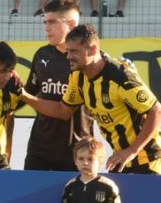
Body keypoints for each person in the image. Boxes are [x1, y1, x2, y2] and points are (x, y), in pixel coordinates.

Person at [20, 24, 161, 174]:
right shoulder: (78, 76)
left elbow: (156, 111)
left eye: (74, 51)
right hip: (121, 159)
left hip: (148, 159)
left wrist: (132, 150)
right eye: (67, 51)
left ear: (93, 50)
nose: (68, 56)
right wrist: (23, 95)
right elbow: (63, 110)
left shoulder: (120, 78)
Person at [23, 0, 93, 171]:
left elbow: (64, 110)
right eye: (45, 22)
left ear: (71, 24)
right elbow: (29, 91)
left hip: (78, 151)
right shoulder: (41, 54)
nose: (46, 28)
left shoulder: (90, 61)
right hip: (39, 150)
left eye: (52, 22)